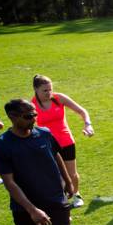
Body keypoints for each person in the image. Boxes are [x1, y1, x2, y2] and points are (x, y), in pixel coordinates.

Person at [31, 75, 94, 208]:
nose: (49, 93)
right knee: (55, 175)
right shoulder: (31, 106)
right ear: (36, 89)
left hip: (66, 141)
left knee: (72, 173)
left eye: (50, 89)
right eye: (45, 90)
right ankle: (62, 199)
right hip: (47, 145)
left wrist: (87, 124)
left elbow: (82, 111)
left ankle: (76, 194)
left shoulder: (59, 98)